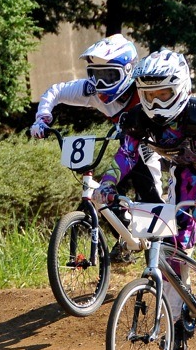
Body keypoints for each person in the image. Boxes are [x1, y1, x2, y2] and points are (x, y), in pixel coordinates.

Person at [96, 49, 196, 350]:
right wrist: (107, 184)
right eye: (149, 96)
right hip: (181, 172)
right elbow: (125, 156)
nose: (156, 103)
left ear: (182, 88)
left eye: (164, 94)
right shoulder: (137, 121)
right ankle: (176, 323)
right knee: (173, 249)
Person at [30, 33, 164, 261]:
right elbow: (55, 91)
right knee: (105, 192)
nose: (100, 84)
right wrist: (42, 117)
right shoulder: (93, 91)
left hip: (151, 143)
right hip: (125, 142)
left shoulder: (144, 91)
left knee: (149, 191)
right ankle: (126, 239)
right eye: (95, 75)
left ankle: (165, 248)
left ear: (128, 71)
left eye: (109, 75)